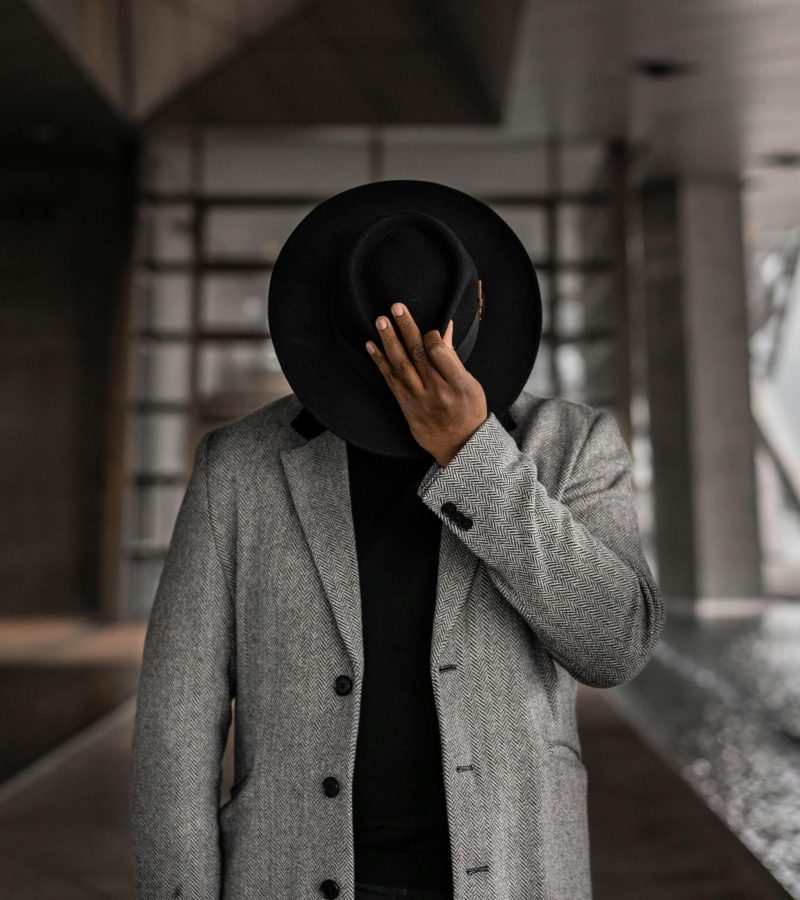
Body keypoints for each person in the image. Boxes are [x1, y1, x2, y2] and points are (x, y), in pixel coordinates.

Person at [129, 180, 666, 900]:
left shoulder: (574, 447)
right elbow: (176, 725)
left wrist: (473, 455)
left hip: (514, 874)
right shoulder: (240, 468)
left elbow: (616, 645)